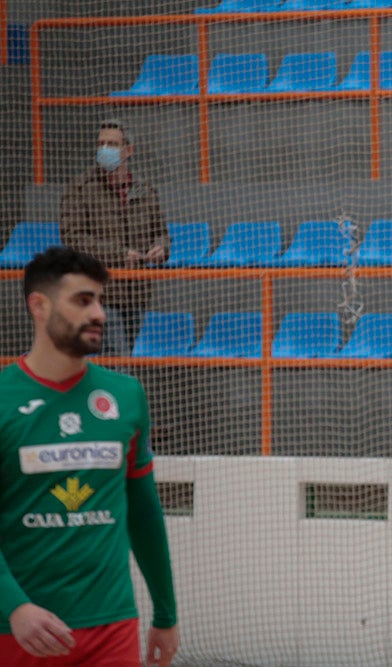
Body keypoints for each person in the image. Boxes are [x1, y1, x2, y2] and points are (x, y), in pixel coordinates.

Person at [0, 246, 179, 665]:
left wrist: (166, 613)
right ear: (39, 306)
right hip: (19, 632)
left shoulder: (126, 395)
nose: (99, 313)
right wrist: (14, 607)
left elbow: (144, 512)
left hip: (111, 629)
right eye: (83, 300)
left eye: (100, 299)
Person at [60, 118, 170, 355]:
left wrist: (161, 248)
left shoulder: (145, 189)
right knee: (117, 359)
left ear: (128, 150)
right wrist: (119, 255)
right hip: (101, 295)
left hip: (138, 293)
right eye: (101, 144)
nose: (104, 150)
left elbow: (161, 232)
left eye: (112, 144)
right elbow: (72, 237)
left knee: (128, 359)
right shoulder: (80, 188)